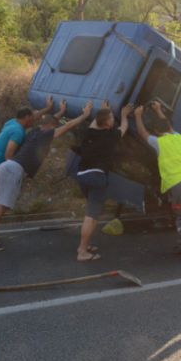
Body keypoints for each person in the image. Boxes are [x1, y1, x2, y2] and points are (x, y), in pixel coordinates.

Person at [0, 101, 93, 252]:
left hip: (5, 167)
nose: (56, 128)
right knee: (0, 206)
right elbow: (67, 126)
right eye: (54, 126)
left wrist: (61, 111)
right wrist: (84, 115)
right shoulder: (46, 134)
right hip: (13, 169)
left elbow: (48, 120)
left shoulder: (34, 131)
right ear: (51, 126)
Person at [0, 96, 57, 244]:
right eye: (32, 118)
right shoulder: (18, 132)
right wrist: (11, 171)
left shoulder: (12, 122)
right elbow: (8, 154)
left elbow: (34, 116)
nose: (34, 120)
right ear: (27, 118)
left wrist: (47, 109)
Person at [134, 101, 181, 261]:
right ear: (168, 128)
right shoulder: (178, 137)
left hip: (179, 185)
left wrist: (138, 115)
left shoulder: (158, 143)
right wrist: (158, 110)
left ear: (156, 131)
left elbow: (142, 133)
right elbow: (168, 126)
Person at [74, 101, 133, 262]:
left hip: (82, 175)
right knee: (91, 215)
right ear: (107, 123)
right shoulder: (111, 136)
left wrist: (103, 110)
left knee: (93, 212)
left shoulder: (90, 132)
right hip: (97, 177)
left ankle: (85, 245)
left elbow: (96, 122)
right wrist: (124, 115)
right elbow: (124, 127)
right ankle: (82, 251)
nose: (114, 120)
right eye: (111, 118)